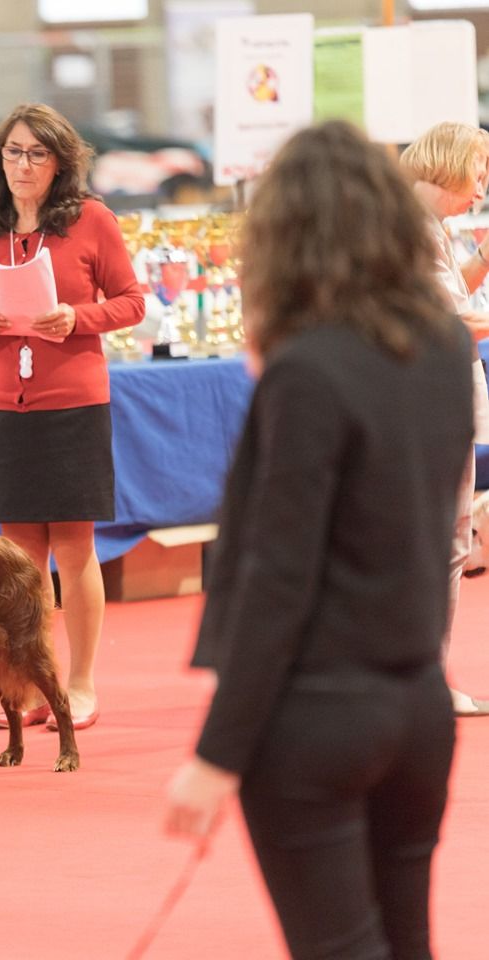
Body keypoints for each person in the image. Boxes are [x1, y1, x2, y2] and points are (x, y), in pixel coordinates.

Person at [165, 121, 472, 959]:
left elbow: (277, 574)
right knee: (407, 942)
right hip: (416, 708)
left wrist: (215, 753)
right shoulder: (443, 344)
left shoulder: (308, 368)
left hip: (318, 717)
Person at [0, 103, 144, 731]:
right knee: (20, 557)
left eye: (36, 153)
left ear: (60, 162)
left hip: (73, 400)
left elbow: (134, 301)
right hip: (2, 402)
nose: (23, 164)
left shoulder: (92, 220)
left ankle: (80, 685)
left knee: (75, 546)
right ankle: (34, 683)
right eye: (13, 152)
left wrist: (76, 318)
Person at [401, 121, 489, 716]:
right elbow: (451, 320)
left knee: (443, 542)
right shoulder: (410, 229)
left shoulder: (421, 226)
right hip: (426, 403)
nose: (481, 185)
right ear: (452, 165)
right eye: (479, 170)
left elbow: (453, 302)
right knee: (441, 544)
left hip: (426, 401)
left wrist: (482, 257)